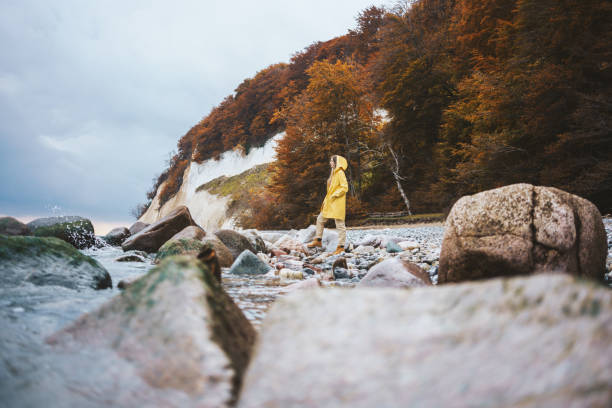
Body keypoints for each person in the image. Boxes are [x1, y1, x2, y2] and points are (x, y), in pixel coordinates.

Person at [307, 155, 348, 255]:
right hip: (330, 203)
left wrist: (335, 195)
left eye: (331, 161)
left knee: (340, 225)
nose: (330, 163)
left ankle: (341, 247)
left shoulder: (340, 173)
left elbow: (345, 187)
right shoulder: (333, 173)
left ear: (336, 162)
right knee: (320, 219)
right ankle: (318, 240)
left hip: (337, 203)